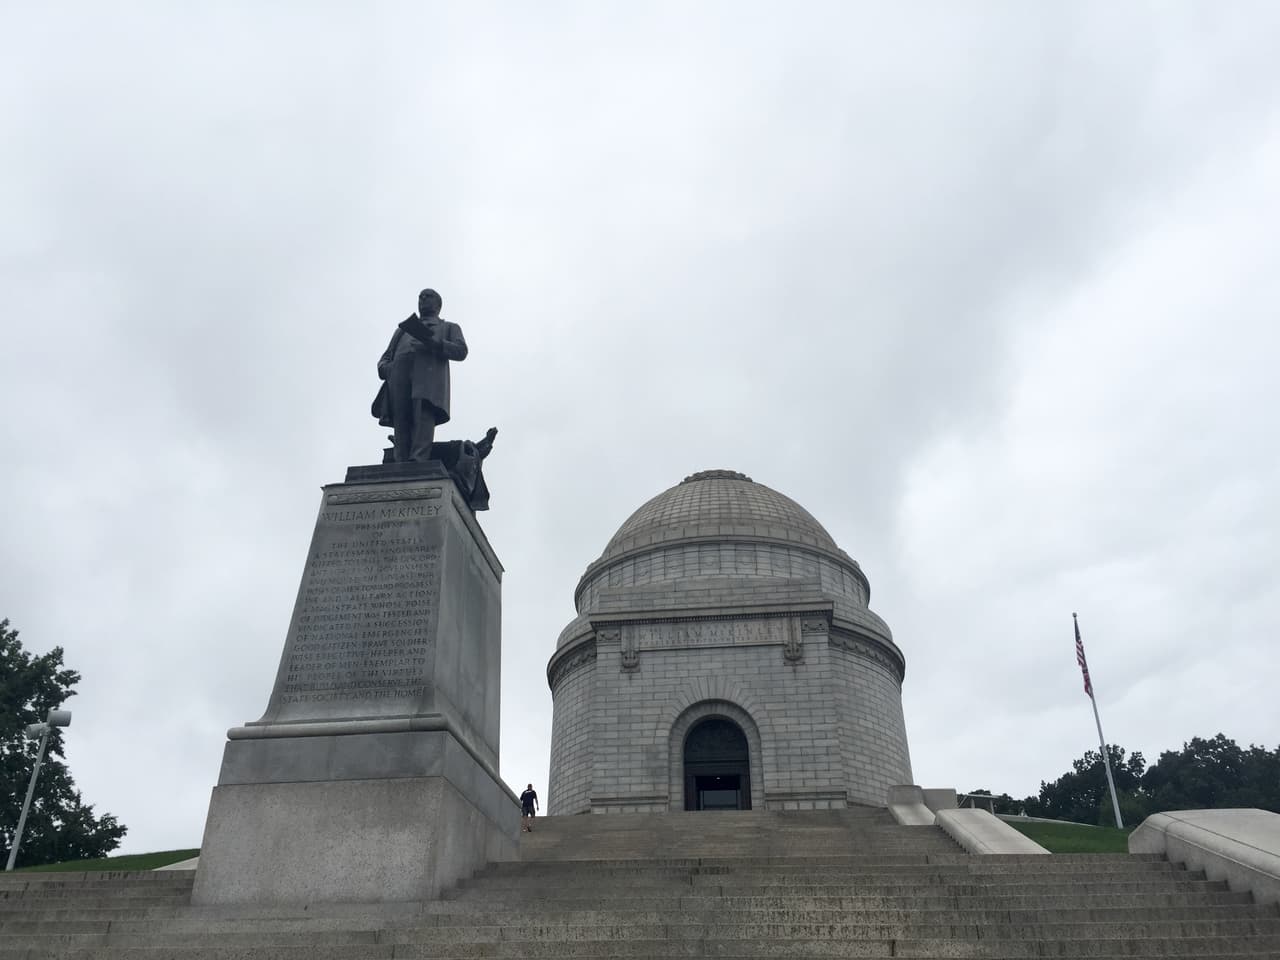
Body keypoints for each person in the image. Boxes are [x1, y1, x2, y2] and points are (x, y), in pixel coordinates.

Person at [371, 288, 468, 463]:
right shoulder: (401, 331)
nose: (422, 299)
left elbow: (461, 351)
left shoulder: (448, 327)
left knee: (423, 416)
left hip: (428, 380)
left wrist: (433, 343)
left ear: (438, 304)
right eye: (420, 297)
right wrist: (390, 369)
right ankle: (400, 462)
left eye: (428, 296)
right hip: (398, 378)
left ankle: (418, 461)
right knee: (401, 419)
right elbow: (383, 360)